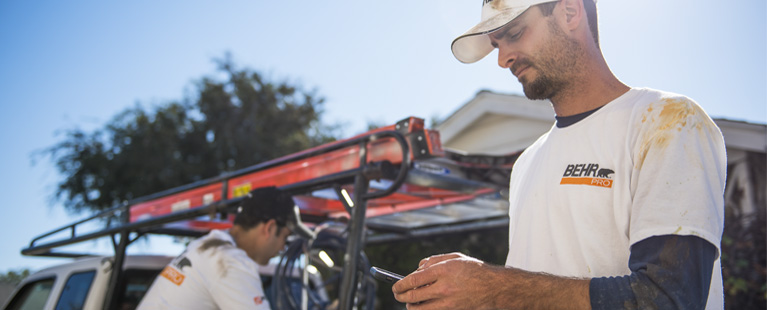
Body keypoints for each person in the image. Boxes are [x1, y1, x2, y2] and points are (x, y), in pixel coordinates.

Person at [392, 0, 726, 309]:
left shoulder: (668, 121)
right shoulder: (527, 163)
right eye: (496, 44)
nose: (502, 59)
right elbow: (526, 293)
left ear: (569, 12)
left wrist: (490, 286)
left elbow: (669, 298)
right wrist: (470, 296)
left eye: (514, 33)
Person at [138, 186, 295, 309]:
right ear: (270, 228)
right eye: (285, 238)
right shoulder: (229, 261)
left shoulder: (206, 246)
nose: (282, 248)